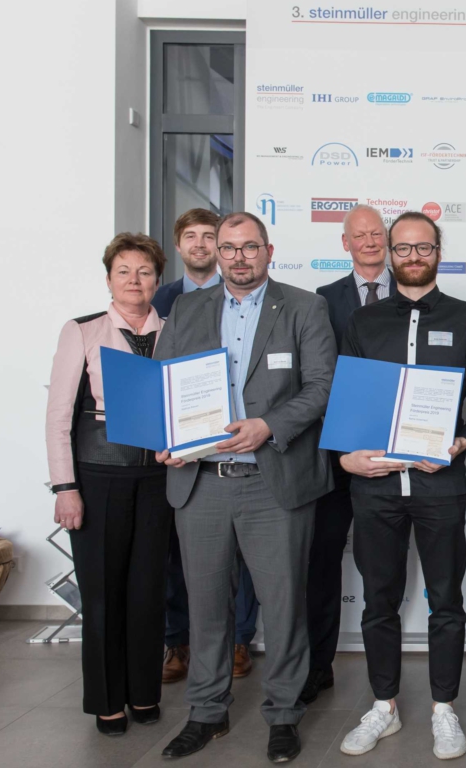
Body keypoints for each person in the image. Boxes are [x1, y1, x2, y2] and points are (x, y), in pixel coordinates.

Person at [154, 212, 336, 763]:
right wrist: (163, 437)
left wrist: (268, 426)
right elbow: (162, 385)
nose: (238, 257)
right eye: (229, 247)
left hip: (273, 480)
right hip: (200, 482)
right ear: (218, 253)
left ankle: (283, 715)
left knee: (283, 607)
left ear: (268, 251)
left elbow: (322, 385)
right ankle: (206, 712)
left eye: (249, 247)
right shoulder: (186, 309)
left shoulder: (304, 307)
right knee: (207, 606)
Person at [336, 211, 466, 761]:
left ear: (437, 251)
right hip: (376, 487)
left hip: (440, 486)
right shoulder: (363, 321)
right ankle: (383, 706)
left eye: (422, 247)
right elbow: (347, 397)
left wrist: (461, 441)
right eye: (402, 248)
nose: (412, 256)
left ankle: (443, 708)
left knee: (446, 600)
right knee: (378, 601)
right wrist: (347, 456)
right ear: (389, 253)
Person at [45, 232, 171, 736]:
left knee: (148, 591)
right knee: (101, 593)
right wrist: (65, 487)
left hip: (160, 478)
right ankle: (106, 700)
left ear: (157, 280)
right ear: (108, 279)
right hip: (98, 476)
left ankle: (144, 692)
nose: (134, 280)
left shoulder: (176, 331)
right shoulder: (82, 331)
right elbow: (59, 416)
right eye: (124, 271)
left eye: (144, 271)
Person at [153, 207, 260, 685]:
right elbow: (162, 378)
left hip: (257, 461)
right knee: (190, 570)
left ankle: (240, 641)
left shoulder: (274, 301)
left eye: (208, 236)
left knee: (251, 567)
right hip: (194, 463)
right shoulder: (170, 301)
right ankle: (182, 648)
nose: (201, 244)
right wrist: (166, 436)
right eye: (191, 236)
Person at [302, 204, 399, 704]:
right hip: (337, 455)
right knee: (322, 562)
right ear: (345, 243)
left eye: (376, 233)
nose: (369, 242)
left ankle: (392, 678)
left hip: (400, 450)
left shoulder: (414, 290)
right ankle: (317, 667)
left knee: (389, 569)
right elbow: (315, 377)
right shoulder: (321, 300)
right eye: (359, 235)